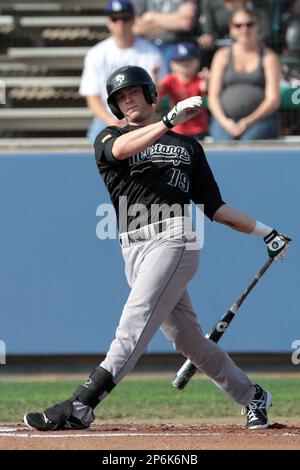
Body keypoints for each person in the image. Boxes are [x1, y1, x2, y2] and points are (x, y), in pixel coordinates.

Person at [23, 65, 290, 432]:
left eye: (133, 91)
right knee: (188, 340)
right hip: (133, 247)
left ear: (149, 93)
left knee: (136, 318)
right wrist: (167, 121)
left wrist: (265, 231)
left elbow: (214, 207)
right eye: (119, 96)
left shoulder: (188, 147)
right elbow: (121, 149)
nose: (127, 99)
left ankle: (81, 405)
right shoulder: (110, 136)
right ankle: (252, 395)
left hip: (174, 238)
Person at [79, 0, 167, 143]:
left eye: (125, 18)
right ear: (108, 22)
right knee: (96, 140)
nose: (120, 23)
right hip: (109, 120)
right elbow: (92, 98)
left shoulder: (152, 53)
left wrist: (137, 119)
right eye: (115, 18)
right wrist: (111, 121)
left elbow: (160, 96)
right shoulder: (96, 53)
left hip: (146, 119)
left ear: (133, 20)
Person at [208, 7, 281, 141]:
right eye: (238, 25)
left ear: (258, 27)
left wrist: (249, 121)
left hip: (261, 121)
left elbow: (273, 100)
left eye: (249, 24)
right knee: (223, 147)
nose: (244, 29)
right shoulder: (222, 56)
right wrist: (225, 122)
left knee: (248, 144)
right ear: (232, 29)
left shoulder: (269, 57)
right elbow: (213, 97)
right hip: (225, 121)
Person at [158, 41, 209, 139]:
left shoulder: (199, 79)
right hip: (177, 128)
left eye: (189, 60)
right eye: (180, 61)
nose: (185, 65)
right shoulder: (170, 80)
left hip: (199, 129)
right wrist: (155, 76)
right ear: (172, 64)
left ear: (197, 62)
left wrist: (207, 80)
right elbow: (158, 92)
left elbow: (204, 88)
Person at [131, 0, 199, 68]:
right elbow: (136, 27)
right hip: (148, 46)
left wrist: (152, 16)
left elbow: (186, 22)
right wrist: (174, 21)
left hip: (177, 46)